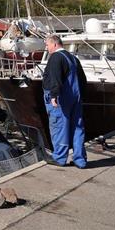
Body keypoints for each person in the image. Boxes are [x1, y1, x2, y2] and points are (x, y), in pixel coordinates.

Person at [42, 34, 88, 168]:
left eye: (47, 45)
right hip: (75, 98)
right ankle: (80, 160)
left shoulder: (56, 57)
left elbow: (55, 77)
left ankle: (60, 158)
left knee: (59, 127)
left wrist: (54, 96)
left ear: (55, 44)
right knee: (77, 128)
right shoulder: (73, 58)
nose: (47, 48)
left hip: (62, 99)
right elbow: (82, 80)